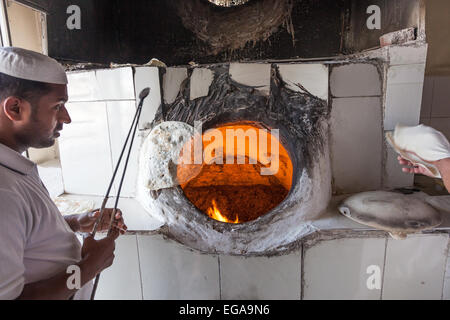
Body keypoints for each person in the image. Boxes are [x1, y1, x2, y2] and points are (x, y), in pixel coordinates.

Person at [0, 47, 127, 300]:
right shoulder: (3, 192)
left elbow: (26, 235)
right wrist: (90, 266)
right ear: (15, 108)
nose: (66, 118)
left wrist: (74, 222)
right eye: (58, 106)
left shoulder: (13, 164)